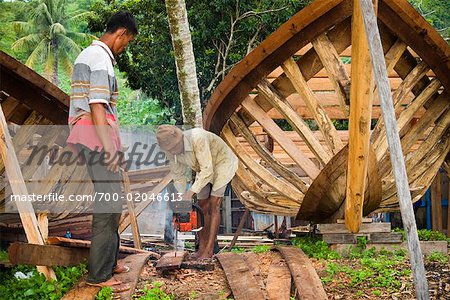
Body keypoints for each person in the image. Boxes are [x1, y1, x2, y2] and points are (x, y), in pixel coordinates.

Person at [66, 11, 138, 291]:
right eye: (127, 42)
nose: (124, 47)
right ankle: (99, 275)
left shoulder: (93, 55)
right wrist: (109, 150)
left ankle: (109, 262)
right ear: (120, 34)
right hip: (96, 135)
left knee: (112, 202)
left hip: (92, 135)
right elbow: (97, 105)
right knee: (108, 205)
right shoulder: (99, 58)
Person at [156, 125, 238, 259]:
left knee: (214, 204)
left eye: (174, 148)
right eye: (169, 149)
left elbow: (208, 169)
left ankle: (209, 250)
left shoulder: (198, 138)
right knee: (201, 206)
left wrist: (190, 193)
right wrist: (182, 196)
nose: (172, 151)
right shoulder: (169, 150)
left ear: (180, 139)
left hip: (223, 163)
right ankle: (202, 248)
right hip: (203, 168)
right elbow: (178, 175)